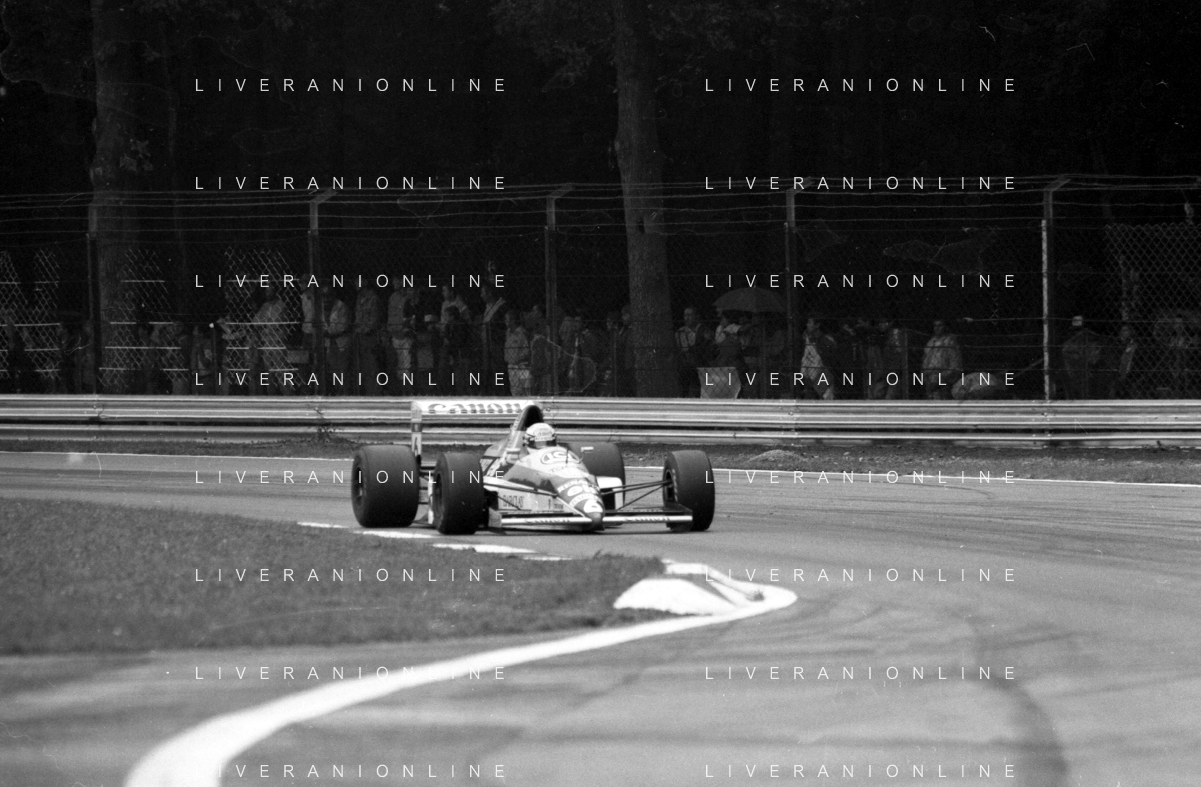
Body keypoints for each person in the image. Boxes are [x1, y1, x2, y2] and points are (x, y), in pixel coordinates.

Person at [352, 279, 383, 395]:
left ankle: (374, 393)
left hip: (369, 336)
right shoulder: (359, 298)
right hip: (360, 336)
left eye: (358, 281)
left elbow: (374, 321)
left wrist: (362, 329)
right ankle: (364, 392)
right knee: (362, 367)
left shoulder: (373, 299)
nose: (355, 284)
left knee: (372, 367)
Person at [921, 319, 964, 400]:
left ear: (945, 327)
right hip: (929, 376)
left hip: (942, 375)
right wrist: (924, 374)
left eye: (940, 325)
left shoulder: (950, 341)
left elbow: (954, 362)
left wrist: (944, 376)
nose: (937, 328)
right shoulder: (930, 342)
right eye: (935, 326)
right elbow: (925, 359)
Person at [675, 305, 712, 397]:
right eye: (685, 315)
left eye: (690, 315)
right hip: (686, 364)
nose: (687, 318)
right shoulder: (680, 332)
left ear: (696, 316)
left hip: (700, 363)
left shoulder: (704, 330)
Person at [504, 309, 532, 396]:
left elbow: (527, 350)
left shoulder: (521, 333)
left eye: (507, 319)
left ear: (512, 320)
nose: (505, 321)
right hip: (512, 366)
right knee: (515, 391)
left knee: (526, 390)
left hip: (522, 366)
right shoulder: (508, 333)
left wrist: (518, 358)